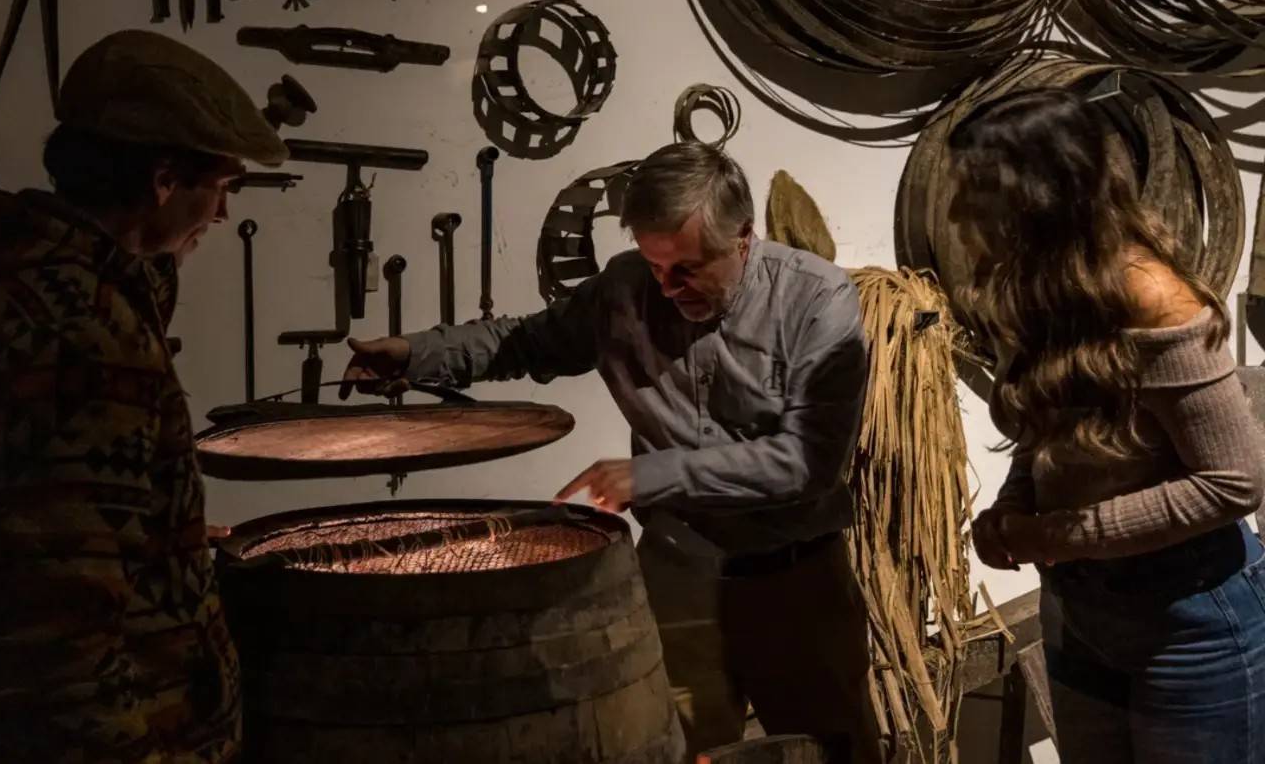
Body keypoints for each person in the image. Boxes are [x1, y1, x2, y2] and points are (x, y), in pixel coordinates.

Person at [341, 142, 879, 761]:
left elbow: (807, 461)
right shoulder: (625, 287)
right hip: (678, 573)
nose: (670, 288)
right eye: (656, 267)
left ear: (744, 238)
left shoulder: (816, 299)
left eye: (689, 269)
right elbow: (525, 342)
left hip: (794, 582)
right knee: (675, 749)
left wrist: (654, 474)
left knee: (833, 751)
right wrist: (415, 355)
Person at [0, 30, 287, 762]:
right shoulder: (84, 331)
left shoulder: (31, 266)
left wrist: (166, 537)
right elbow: (61, 628)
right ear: (161, 179)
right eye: (217, 187)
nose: (219, 216)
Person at [952, 88, 1265, 764]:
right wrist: (1013, 509)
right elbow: (1049, 433)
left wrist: (1062, 533)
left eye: (972, 193)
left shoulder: (1154, 298)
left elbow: (1234, 481)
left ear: (1038, 196)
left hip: (1188, 620)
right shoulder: (1046, 288)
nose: (954, 214)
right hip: (1083, 611)